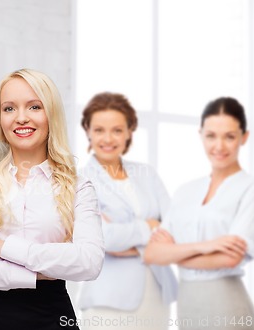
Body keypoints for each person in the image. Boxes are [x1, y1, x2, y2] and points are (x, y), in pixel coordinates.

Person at [0, 68, 105, 330]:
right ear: (0, 118)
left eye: (34, 106)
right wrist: (35, 274)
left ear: (51, 114)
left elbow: (89, 261)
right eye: (9, 109)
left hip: (53, 317)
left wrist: (0, 248)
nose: (21, 118)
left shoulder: (78, 187)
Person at [144, 97, 254, 330]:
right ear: (201, 134)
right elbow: (152, 254)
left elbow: (231, 257)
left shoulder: (253, 189)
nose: (219, 146)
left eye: (229, 136)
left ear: (244, 137)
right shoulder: (185, 191)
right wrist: (205, 246)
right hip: (188, 306)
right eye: (211, 135)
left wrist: (172, 252)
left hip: (228, 305)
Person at [77, 92, 177, 330]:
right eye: (99, 130)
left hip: (157, 295)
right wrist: (150, 226)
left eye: (117, 130)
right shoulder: (79, 181)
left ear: (129, 131)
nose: (108, 138)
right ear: (88, 130)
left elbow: (175, 227)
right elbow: (103, 238)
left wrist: (128, 241)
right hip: (109, 301)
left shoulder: (147, 173)